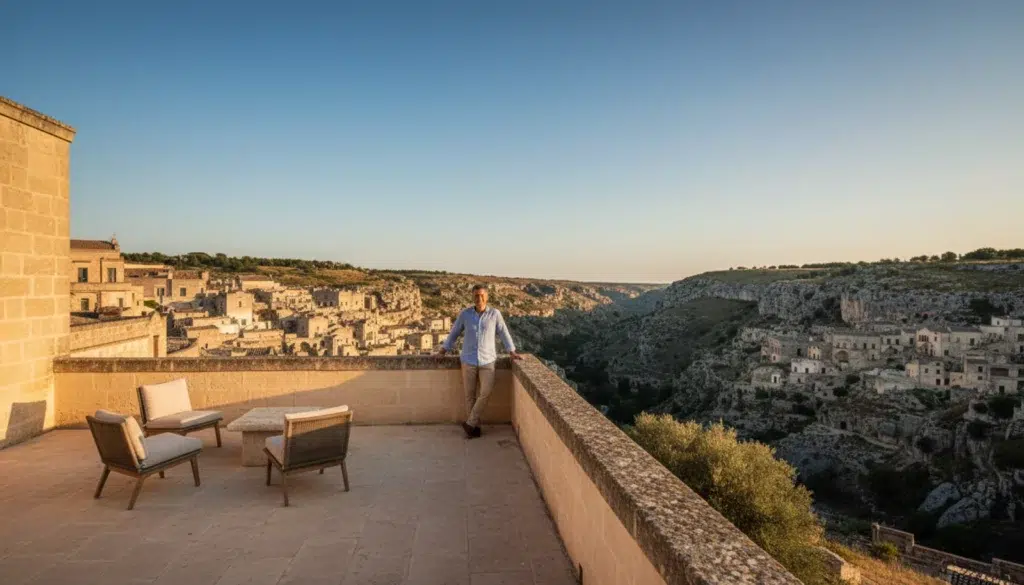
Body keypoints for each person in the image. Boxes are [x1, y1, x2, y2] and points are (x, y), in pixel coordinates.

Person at [439, 284, 522, 438]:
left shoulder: (495, 314)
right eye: (476, 295)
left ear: (487, 297)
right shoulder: (465, 314)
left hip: (487, 360)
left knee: (486, 392)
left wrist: (512, 351)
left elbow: (504, 332)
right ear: (472, 297)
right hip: (468, 360)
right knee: (469, 395)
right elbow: (454, 333)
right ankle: (474, 429)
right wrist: (443, 350)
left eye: (482, 295)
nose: (479, 298)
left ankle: (470, 423)